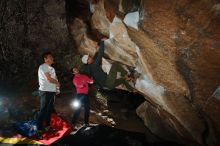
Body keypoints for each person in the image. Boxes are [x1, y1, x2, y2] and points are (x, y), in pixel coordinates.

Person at [37, 52, 60, 138]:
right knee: (43, 110)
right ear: (45, 59)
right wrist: (57, 83)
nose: (52, 58)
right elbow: (49, 79)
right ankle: (39, 129)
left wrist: (57, 88)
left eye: (52, 56)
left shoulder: (52, 68)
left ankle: (47, 126)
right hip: (45, 91)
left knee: (49, 110)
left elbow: (55, 78)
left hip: (52, 91)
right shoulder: (43, 66)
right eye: (50, 57)